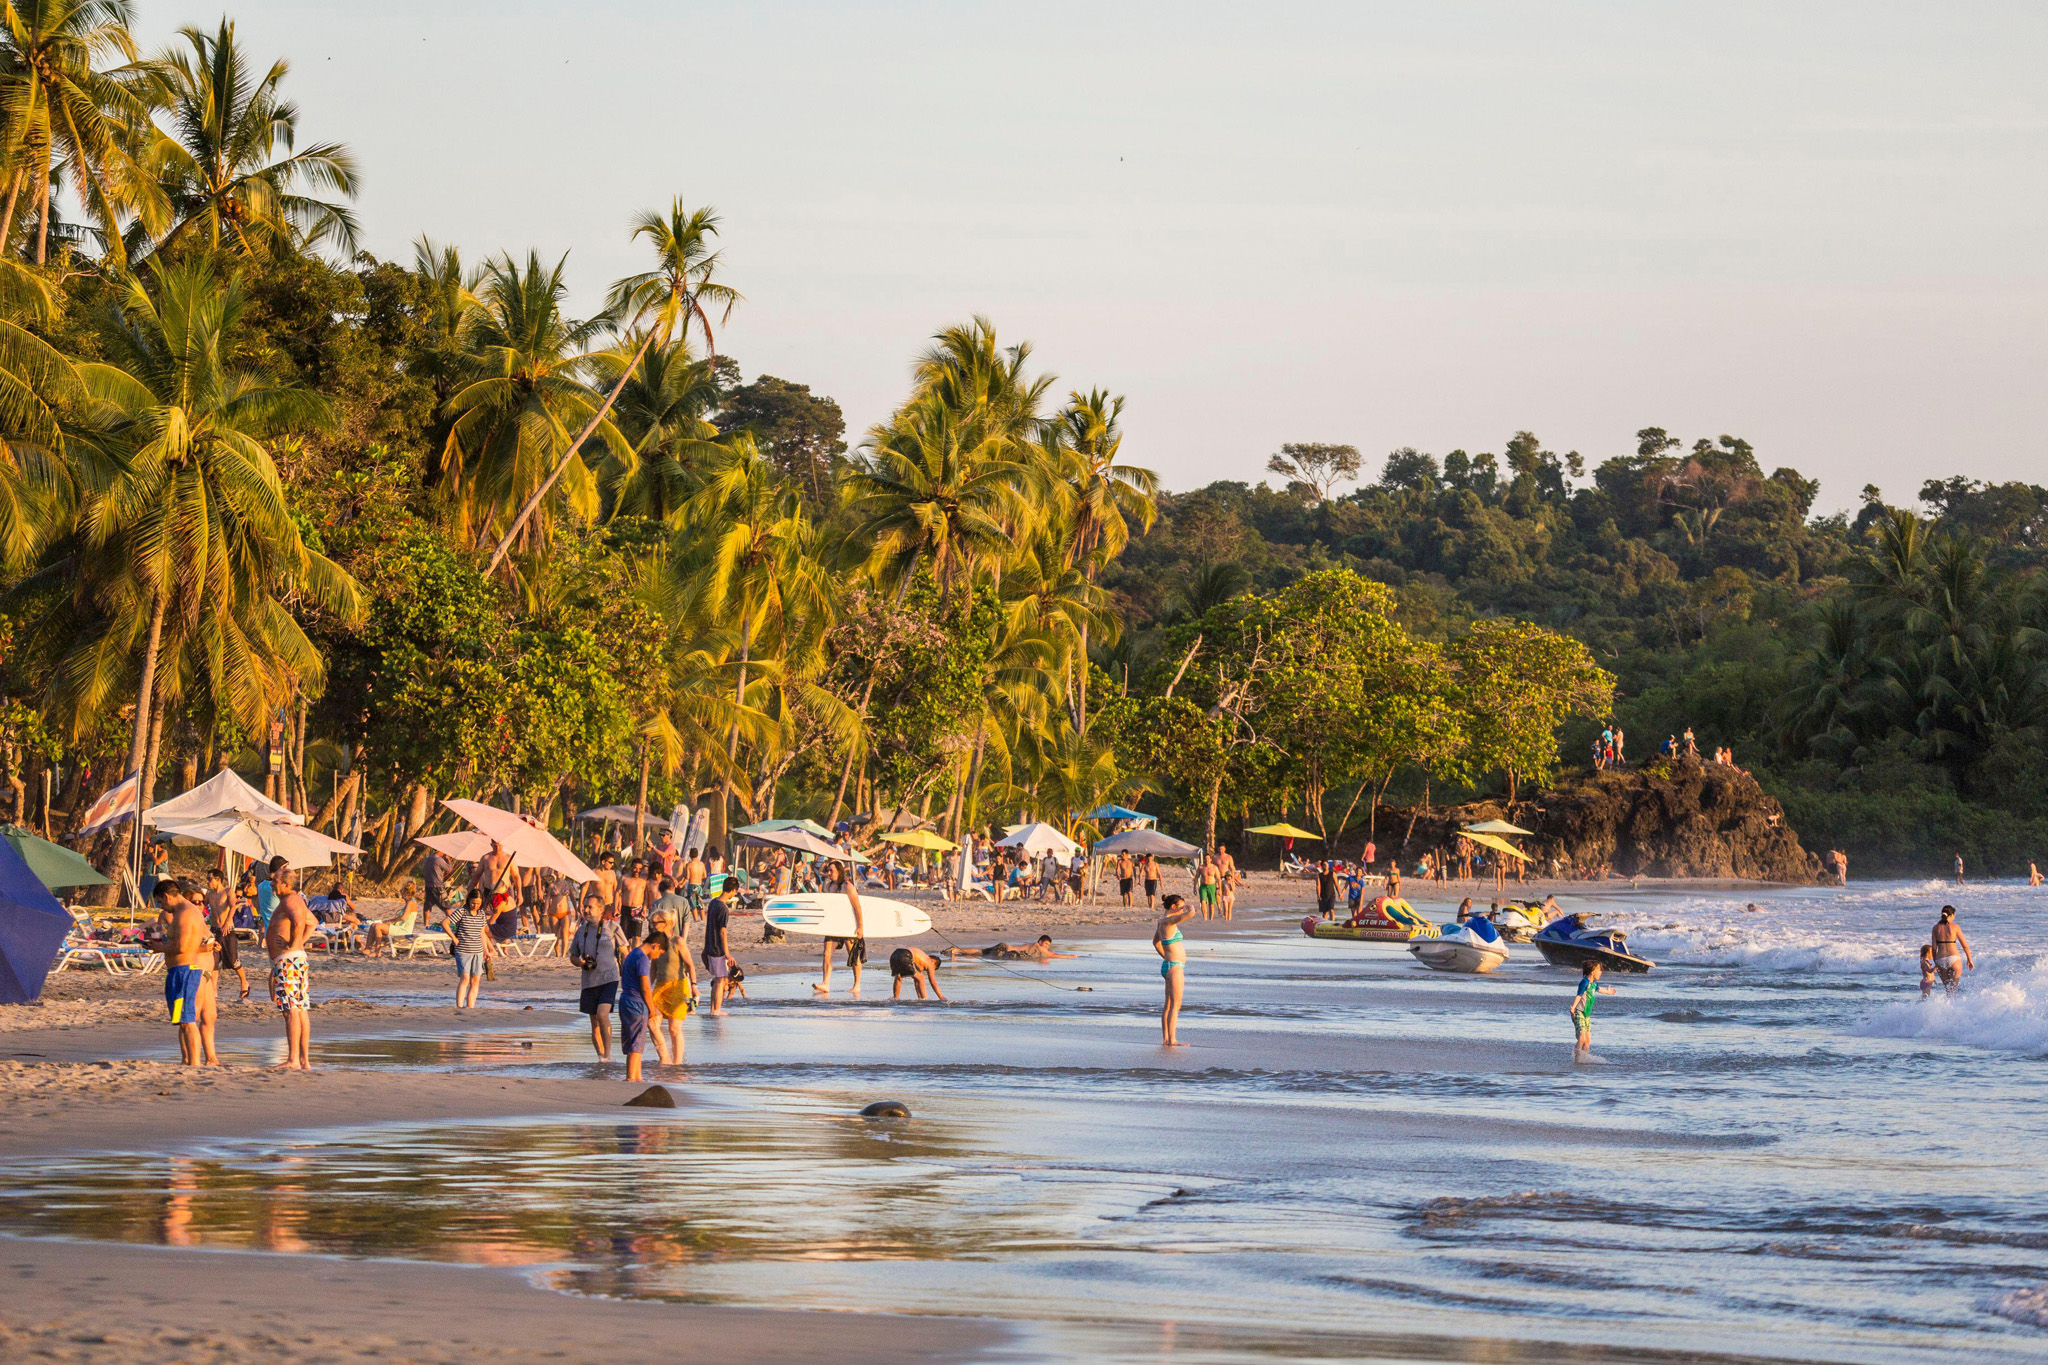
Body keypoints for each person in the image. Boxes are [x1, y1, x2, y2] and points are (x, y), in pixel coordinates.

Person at [157, 878, 213, 1067]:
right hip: (178, 972)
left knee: (188, 1020)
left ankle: (195, 1062)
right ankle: (187, 1060)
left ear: (167, 896)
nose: (163, 907)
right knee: (181, 1020)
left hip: (185, 972)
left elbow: (182, 947)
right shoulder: (183, 912)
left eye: (161, 902)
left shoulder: (185, 914)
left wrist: (159, 947)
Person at [266, 865, 316, 1070]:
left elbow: (298, 921)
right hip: (291, 959)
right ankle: (303, 1060)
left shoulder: (290, 900)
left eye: (275, 881)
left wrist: (292, 944)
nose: (271, 883)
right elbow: (312, 923)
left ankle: (294, 1059)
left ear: (286, 884)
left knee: (291, 1009)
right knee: (299, 1008)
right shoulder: (295, 900)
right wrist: (298, 944)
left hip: (289, 960)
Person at [571, 895, 625, 1057]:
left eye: (590, 907)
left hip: (609, 978)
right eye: (585, 906)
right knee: (594, 1024)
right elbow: (573, 956)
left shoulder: (613, 927)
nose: (586, 910)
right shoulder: (581, 931)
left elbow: (625, 952)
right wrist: (579, 962)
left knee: (603, 1015)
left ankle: (607, 1055)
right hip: (589, 981)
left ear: (601, 909)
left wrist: (630, 972)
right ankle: (601, 1058)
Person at [649, 911, 697, 1064]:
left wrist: (694, 986)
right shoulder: (653, 944)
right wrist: (645, 988)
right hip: (660, 988)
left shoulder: (677, 941)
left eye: (657, 923)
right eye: (652, 923)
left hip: (678, 986)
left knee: (674, 1028)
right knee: (651, 1022)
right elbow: (653, 969)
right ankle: (665, 1058)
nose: (653, 926)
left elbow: (689, 965)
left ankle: (677, 1064)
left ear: (668, 924)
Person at [813, 859, 866, 996]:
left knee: (852, 954)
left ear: (839, 872)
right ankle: (825, 983)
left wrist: (860, 926)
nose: (828, 873)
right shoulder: (829, 886)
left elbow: (857, 907)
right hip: (834, 924)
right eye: (828, 870)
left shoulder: (847, 886)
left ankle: (857, 985)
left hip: (848, 924)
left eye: (831, 871)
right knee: (826, 953)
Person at [618, 931, 661, 1082]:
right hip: (636, 1002)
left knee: (634, 1040)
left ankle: (637, 1075)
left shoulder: (632, 953)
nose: (658, 957)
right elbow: (645, 987)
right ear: (656, 946)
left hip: (626, 1000)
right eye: (659, 953)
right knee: (636, 1042)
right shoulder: (642, 958)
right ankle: (631, 1077)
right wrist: (652, 1009)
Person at [1154, 894, 1196, 1047]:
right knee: (1175, 1005)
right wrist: (1187, 907)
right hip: (1175, 967)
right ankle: (1172, 1040)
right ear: (1173, 907)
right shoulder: (1168, 921)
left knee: (1169, 1004)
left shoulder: (1162, 922)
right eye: (1180, 906)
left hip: (1170, 965)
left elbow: (1155, 943)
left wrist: (1166, 956)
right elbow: (1191, 913)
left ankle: (1166, 1038)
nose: (1181, 909)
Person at [202, 868, 248, 1001]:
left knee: (233, 961)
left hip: (228, 931)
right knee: (214, 962)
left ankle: (244, 982)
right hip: (215, 930)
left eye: (209, 879)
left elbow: (233, 906)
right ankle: (214, 990)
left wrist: (228, 921)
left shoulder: (228, 891)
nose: (207, 881)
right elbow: (203, 909)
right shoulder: (210, 895)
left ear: (218, 879)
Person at [448, 888, 494, 1009]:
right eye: (473, 903)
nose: (475, 905)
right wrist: (454, 938)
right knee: (465, 979)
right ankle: (459, 1006)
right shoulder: (461, 912)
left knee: (476, 980)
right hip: (463, 951)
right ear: (468, 900)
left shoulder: (481, 914)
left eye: (478, 903)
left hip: (477, 951)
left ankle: (470, 1006)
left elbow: (482, 933)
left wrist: (486, 950)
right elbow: (445, 923)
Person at [1570, 960, 1616, 1060]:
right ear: (1592, 972)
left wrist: (1608, 992)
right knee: (1582, 1037)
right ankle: (1577, 1059)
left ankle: (1584, 1059)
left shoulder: (1594, 983)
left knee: (1588, 1039)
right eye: (1599, 970)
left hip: (1586, 1014)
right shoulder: (1584, 982)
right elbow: (1579, 995)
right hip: (1579, 1012)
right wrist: (1573, 1007)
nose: (1601, 972)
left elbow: (1599, 989)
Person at [703, 883, 735, 1014]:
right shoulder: (723, 908)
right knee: (720, 980)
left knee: (717, 979)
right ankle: (716, 1010)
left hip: (709, 945)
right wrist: (727, 954)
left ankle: (713, 1009)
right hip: (717, 948)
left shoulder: (713, 903)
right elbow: (723, 931)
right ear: (733, 890)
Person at [1931, 905, 1973, 992]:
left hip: (1940, 960)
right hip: (1954, 959)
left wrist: (1936, 963)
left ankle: (1948, 1005)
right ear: (1951, 915)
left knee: (1948, 990)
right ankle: (1956, 1005)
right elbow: (1964, 945)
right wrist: (1969, 959)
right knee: (1954, 989)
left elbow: (1934, 948)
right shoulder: (1955, 927)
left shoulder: (1935, 928)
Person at [943, 935, 1076, 961]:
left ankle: (956, 952)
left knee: (980, 952)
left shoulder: (1037, 947)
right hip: (1005, 949)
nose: (1046, 947)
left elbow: (1049, 953)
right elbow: (1051, 956)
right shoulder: (1036, 945)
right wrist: (1070, 956)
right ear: (1040, 942)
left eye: (1048, 946)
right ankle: (956, 951)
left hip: (1005, 947)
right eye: (1045, 944)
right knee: (981, 953)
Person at [422, 847, 452, 922]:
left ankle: (426, 924)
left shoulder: (428, 859)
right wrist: (448, 859)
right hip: (438, 886)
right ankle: (453, 923)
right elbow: (449, 869)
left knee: (427, 906)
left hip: (428, 885)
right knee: (446, 906)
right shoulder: (438, 859)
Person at [1217, 845, 1238, 920]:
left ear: (1225, 849)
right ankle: (1219, 908)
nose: (1221, 850)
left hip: (1227, 877)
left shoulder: (1228, 857)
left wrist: (1232, 878)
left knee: (1227, 890)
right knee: (1217, 893)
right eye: (1219, 849)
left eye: (1222, 849)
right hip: (1218, 877)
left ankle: (1226, 915)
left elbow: (1232, 867)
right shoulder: (1215, 857)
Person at [1198, 852, 1221, 920]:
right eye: (1205, 859)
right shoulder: (1201, 867)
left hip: (1212, 886)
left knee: (1211, 904)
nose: (1207, 860)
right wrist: (1194, 887)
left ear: (1210, 859)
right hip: (1203, 886)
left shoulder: (1214, 867)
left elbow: (1218, 878)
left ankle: (1211, 919)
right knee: (1203, 902)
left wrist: (1219, 888)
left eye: (1208, 858)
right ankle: (1205, 918)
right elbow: (1196, 877)